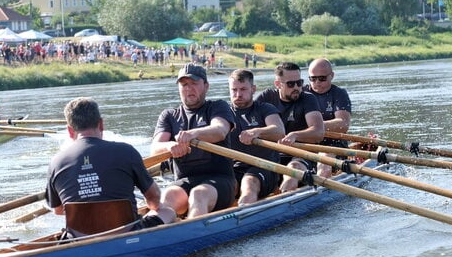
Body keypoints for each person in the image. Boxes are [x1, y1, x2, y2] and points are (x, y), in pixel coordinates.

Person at [46, 97, 174, 231]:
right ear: (101, 124)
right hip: (126, 232)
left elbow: (59, 210)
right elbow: (153, 198)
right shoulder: (126, 151)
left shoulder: (56, 162)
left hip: (81, 238)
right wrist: (152, 207)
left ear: (70, 131)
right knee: (168, 212)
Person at [151, 63, 236, 218]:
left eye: (194, 83)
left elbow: (220, 130)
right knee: (167, 196)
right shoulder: (169, 115)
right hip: (185, 180)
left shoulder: (218, 106)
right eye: (184, 85)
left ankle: (188, 234)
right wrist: (171, 146)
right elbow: (155, 148)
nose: (189, 88)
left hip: (221, 181)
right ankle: (151, 230)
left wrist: (192, 135)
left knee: (198, 195)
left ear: (206, 86)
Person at [255, 62, 324, 192]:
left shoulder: (308, 99)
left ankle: (284, 195)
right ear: (277, 84)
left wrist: (295, 135)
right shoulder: (266, 98)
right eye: (291, 84)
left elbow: (319, 132)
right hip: (273, 155)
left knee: (292, 170)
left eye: (300, 82)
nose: (297, 87)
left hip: (302, 154)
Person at [228, 69, 285, 206]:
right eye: (234, 90)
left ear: (253, 89)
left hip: (265, 167)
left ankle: (242, 216)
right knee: (224, 185)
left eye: (243, 89)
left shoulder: (265, 108)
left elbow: (279, 131)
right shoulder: (224, 113)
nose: (238, 94)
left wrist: (256, 132)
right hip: (235, 168)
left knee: (248, 183)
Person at [304, 58, 352, 178]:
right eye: (313, 78)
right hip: (306, 145)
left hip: (334, 146)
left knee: (324, 161)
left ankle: (321, 186)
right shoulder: (302, 93)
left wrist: (316, 127)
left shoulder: (339, 94)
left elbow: (343, 124)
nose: (317, 82)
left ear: (332, 76)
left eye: (322, 78)